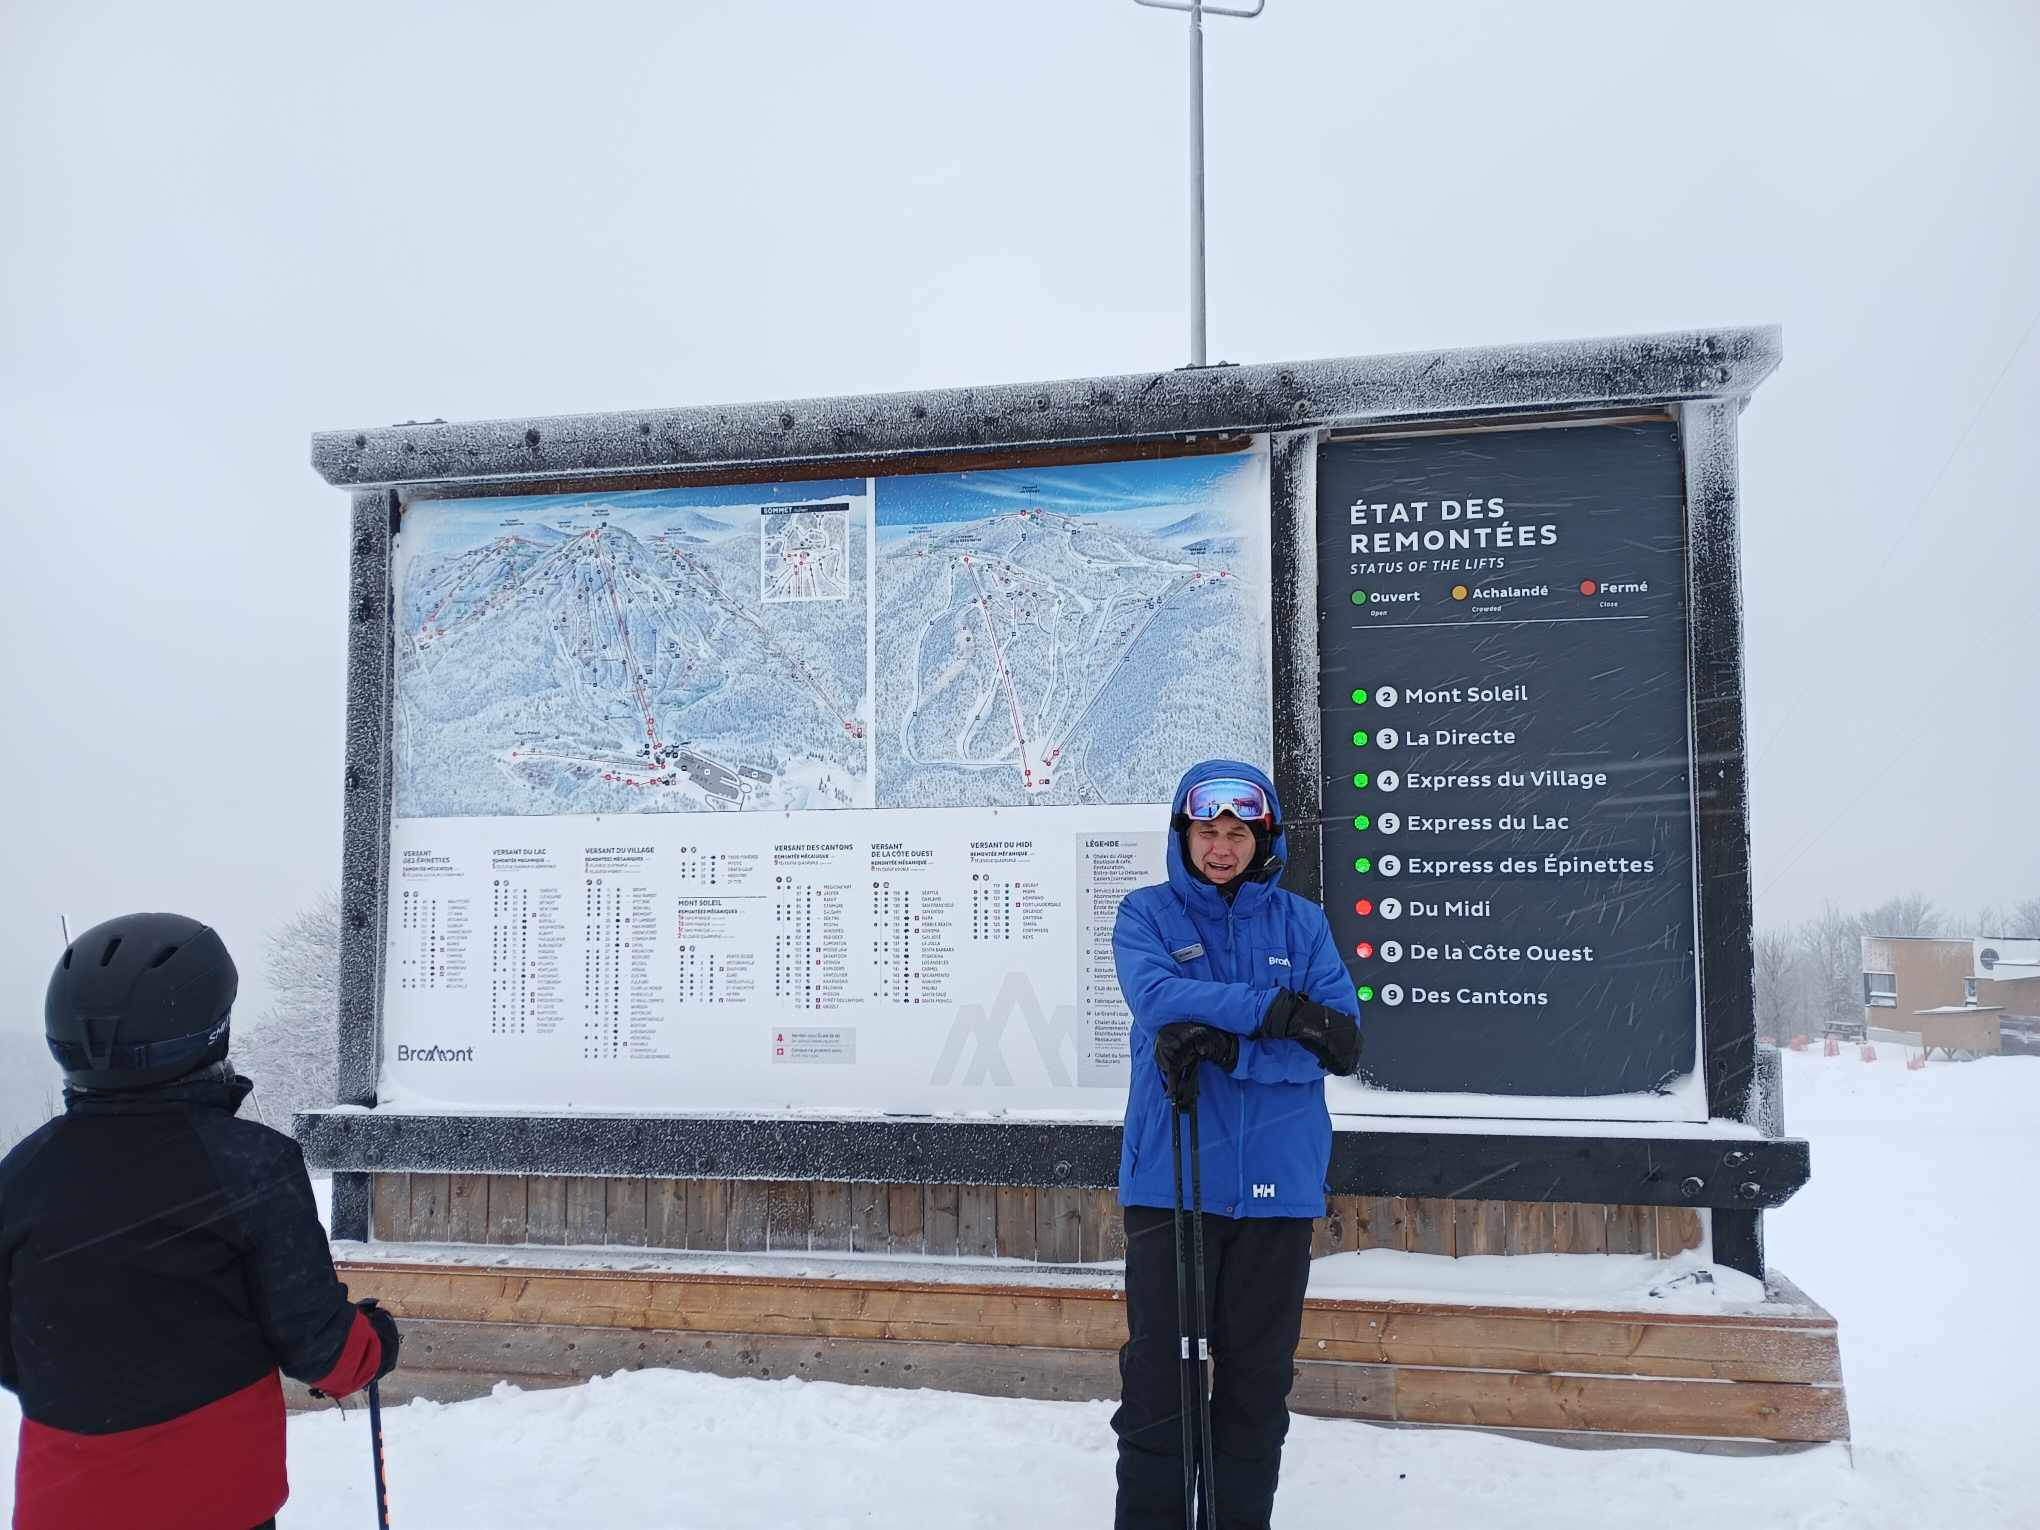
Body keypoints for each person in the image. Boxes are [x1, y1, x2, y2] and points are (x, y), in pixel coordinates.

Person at [0, 912, 400, 1530]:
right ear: (210, 1034)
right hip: (213, 1504)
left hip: (61, 1505)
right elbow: (320, 1349)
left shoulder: (22, 1173)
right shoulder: (249, 1164)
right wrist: (374, 1342)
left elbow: (13, 1352)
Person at [1111, 761, 1363, 1530]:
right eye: (1206, 832)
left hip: (1278, 1188)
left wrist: (1230, 1047)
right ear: (1182, 835)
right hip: (1173, 1183)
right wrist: (1277, 1011)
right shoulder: (1145, 915)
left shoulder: (1302, 924)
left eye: (1237, 833)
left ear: (1263, 839)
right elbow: (1159, 998)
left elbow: (1337, 1042)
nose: (1221, 848)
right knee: (1161, 1387)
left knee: (1256, 1388)